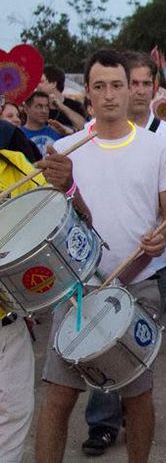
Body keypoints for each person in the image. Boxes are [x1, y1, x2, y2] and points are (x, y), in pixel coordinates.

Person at [35, 49, 166, 463]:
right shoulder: (66, 149)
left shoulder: (157, 148)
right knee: (59, 395)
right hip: (77, 291)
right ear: (88, 93)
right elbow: (54, 219)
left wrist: (161, 237)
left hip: (139, 284)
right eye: (100, 86)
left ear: (132, 89)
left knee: (137, 395)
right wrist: (66, 187)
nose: (110, 94)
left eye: (118, 85)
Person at [77, 51, 166, 456]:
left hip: (149, 269)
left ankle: (129, 418)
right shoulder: (81, 139)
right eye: (102, 86)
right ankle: (102, 423)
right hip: (92, 276)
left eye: (142, 84)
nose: (136, 92)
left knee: (136, 361)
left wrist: (161, 228)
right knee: (94, 351)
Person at [0, 122, 88, 462]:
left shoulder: (15, 165)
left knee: (13, 422)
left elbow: (78, 226)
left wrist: (69, 187)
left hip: (9, 327)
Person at [39, 64, 87, 131]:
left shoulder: (75, 105)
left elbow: (85, 127)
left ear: (53, 84)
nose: (37, 85)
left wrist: (61, 106)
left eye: (40, 82)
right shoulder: (35, 106)